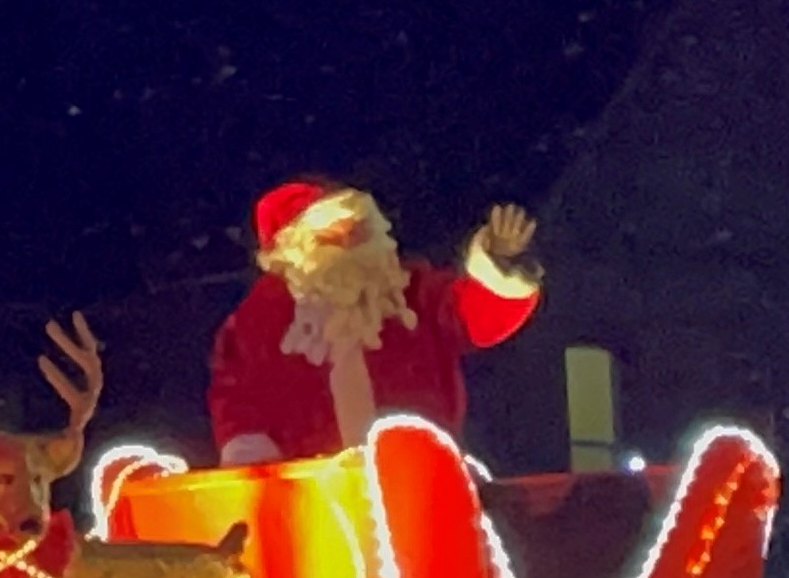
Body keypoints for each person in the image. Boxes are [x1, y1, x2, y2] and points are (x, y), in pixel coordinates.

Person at [208, 180, 540, 463]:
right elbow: (237, 401)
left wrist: (500, 268)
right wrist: (257, 465)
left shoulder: (410, 294)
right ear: (294, 251)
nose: (350, 242)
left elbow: (477, 317)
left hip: (419, 477)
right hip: (316, 496)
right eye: (332, 236)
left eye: (358, 230)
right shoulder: (260, 323)